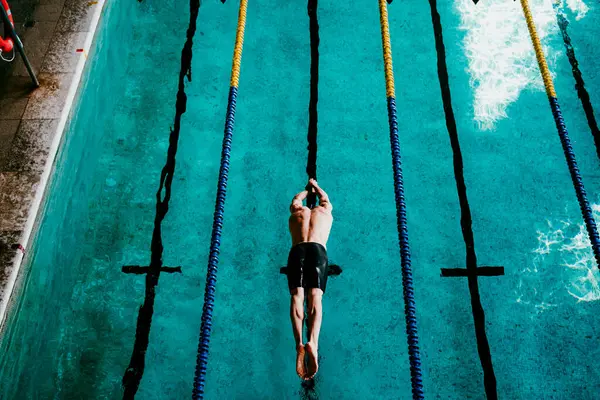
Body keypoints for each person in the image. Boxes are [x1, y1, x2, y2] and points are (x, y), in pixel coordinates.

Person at [286, 178, 333, 380]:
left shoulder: (297, 211)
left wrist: (305, 190)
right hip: (318, 251)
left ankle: (298, 343)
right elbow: (325, 198)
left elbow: (295, 200)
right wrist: (316, 185)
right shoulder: (325, 210)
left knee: (297, 295)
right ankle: (312, 341)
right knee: (315, 296)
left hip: (297, 251)